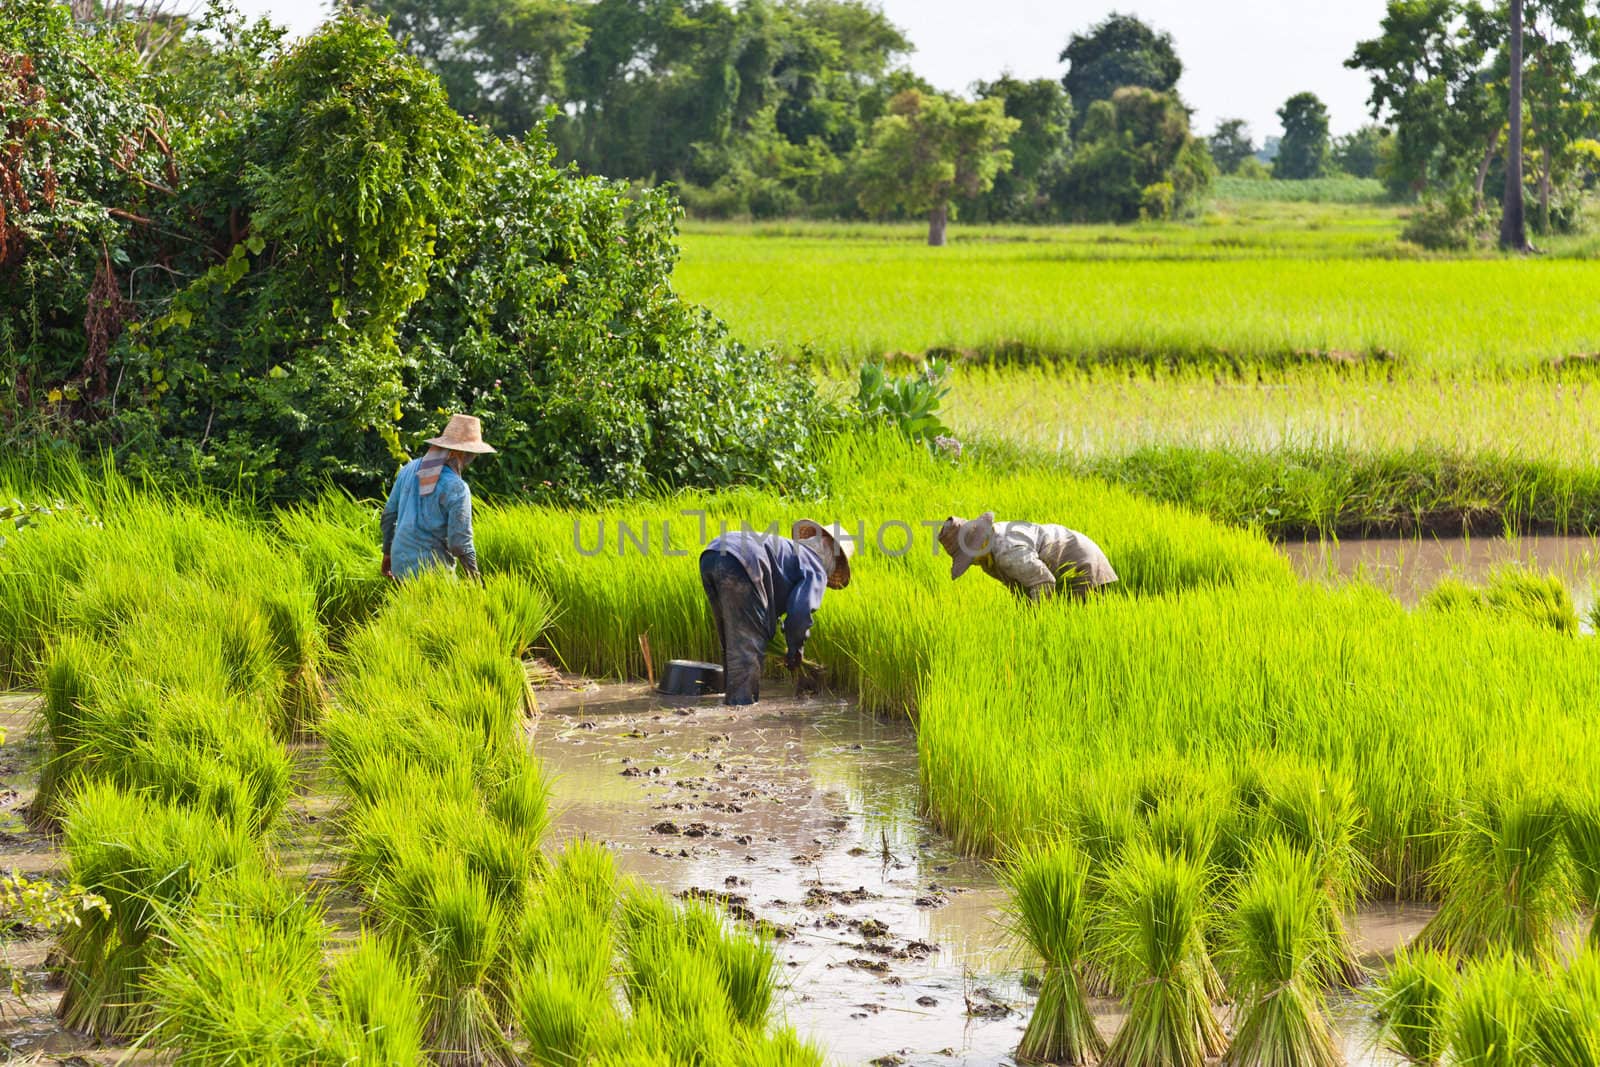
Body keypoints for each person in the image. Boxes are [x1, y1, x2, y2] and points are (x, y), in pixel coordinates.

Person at [698, 520, 854, 705]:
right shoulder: (815, 568)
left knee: (731, 637)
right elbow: (799, 615)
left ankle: (731, 699)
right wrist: (796, 649)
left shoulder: (790, 553)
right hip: (743, 561)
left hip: (713, 553)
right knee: (747, 646)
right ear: (832, 557)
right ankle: (740, 712)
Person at [381, 414, 495, 581]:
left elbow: (389, 515)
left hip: (401, 567)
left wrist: (387, 553)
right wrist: (476, 580)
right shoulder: (457, 487)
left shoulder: (408, 469)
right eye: (472, 454)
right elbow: (460, 543)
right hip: (434, 573)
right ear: (460, 453)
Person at [938, 512, 1117, 601]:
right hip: (1071, 556)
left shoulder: (1008, 552)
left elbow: (1044, 582)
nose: (972, 564)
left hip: (1081, 565)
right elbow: (1020, 588)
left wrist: (1034, 622)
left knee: (1078, 629)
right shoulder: (988, 557)